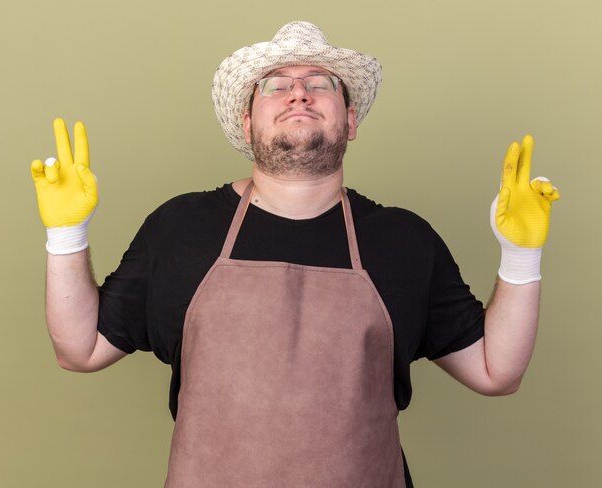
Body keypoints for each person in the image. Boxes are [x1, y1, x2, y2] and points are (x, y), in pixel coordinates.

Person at [30, 21, 559, 488]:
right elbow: (80, 350)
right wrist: (66, 235)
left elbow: (496, 372)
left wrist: (521, 255)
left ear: (349, 121)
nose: (299, 94)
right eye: (276, 86)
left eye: (320, 84)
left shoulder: (405, 241)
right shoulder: (180, 229)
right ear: (247, 125)